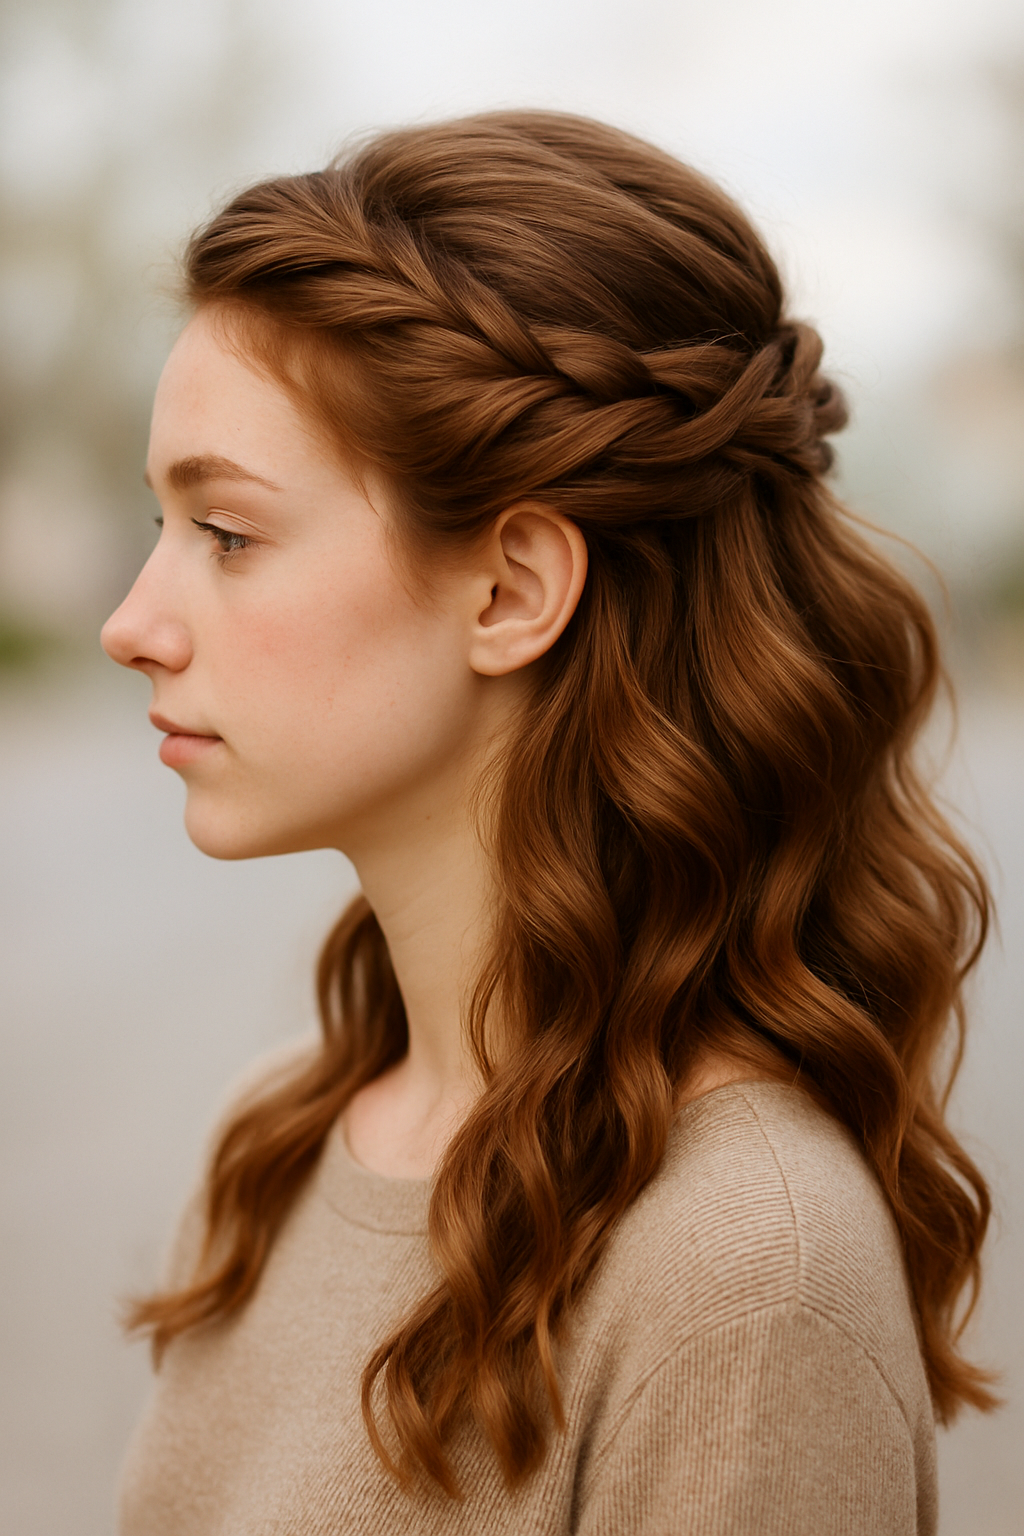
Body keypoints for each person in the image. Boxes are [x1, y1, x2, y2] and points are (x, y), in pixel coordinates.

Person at [100, 111, 995, 1535]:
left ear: (513, 590)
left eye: (228, 535)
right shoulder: (278, 1140)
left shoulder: (747, 1273)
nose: (132, 625)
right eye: (160, 525)